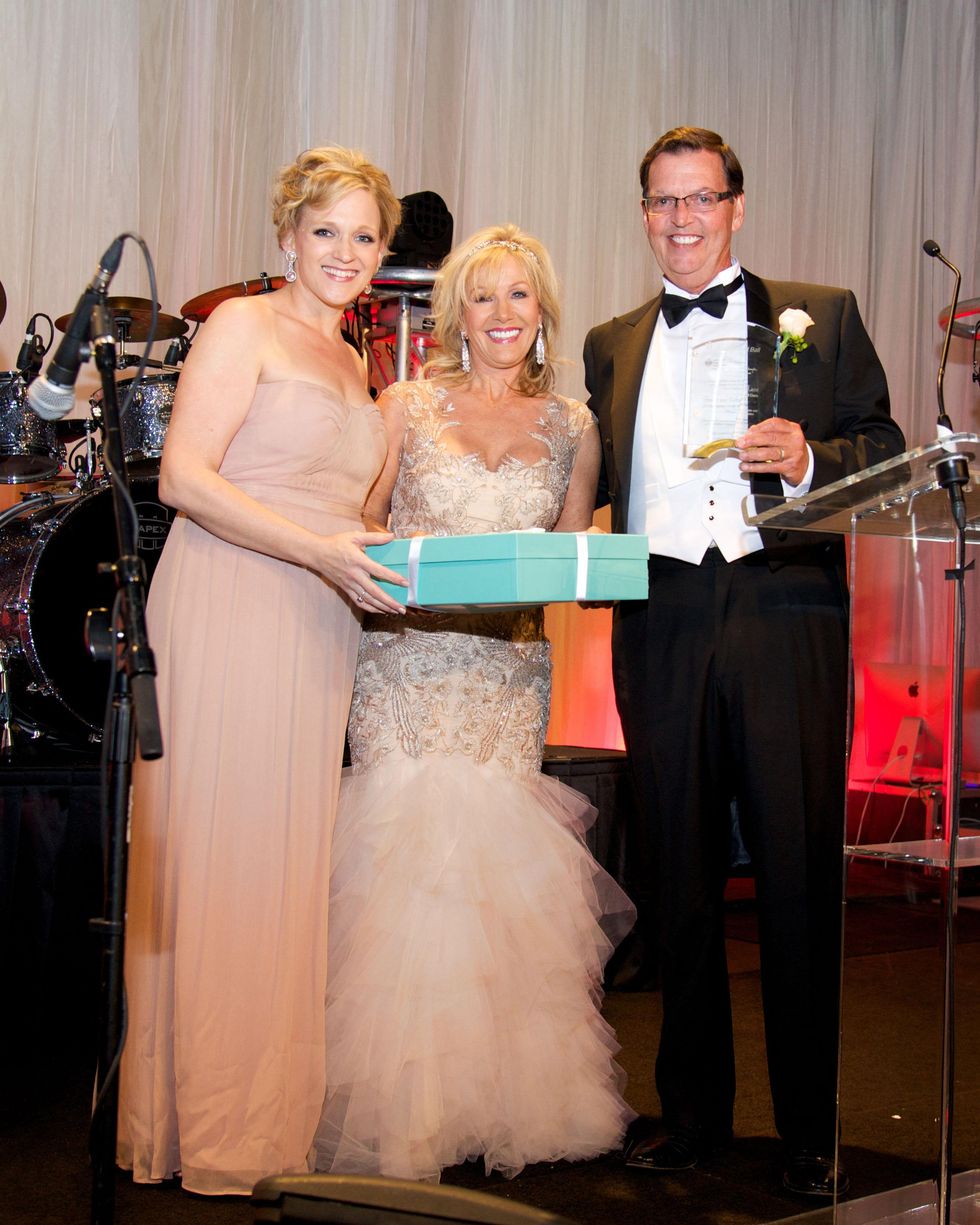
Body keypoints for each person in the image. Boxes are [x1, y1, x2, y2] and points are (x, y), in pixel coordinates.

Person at [583, 127, 906, 1198]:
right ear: (641, 214)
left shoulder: (819, 314)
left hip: (783, 608)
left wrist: (812, 457)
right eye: (661, 202)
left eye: (700, 199)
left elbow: (885, 450)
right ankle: (691, 1116)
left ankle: (809, 1132)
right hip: (661, 612)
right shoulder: (608, 341)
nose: (681, 219)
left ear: (734, 206)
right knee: (673, 864)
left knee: (796, 865)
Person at [310, 224, 636, 1182]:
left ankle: (503, 1101)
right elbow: (358, 521)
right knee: (408, 871)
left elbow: (572, 555)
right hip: (409, 667)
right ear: (457, 312)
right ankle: (400, 1113)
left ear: (542, 313)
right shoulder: (402, 403)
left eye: (519, 297)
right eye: (483, 297)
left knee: (501, 881)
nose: (501, 315)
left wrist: (601, 575)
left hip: (508, 673)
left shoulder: (576, 424)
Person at [116, 146, 408, 1196]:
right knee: (225, 861)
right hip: (231, 600)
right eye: (323, 230)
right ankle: (209, 1129)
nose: (343, 252)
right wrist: (321, 549)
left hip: (315, 621)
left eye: (362, 235)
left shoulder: (354, 364)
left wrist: (393, 551)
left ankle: (266, 1123)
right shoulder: (242, 326)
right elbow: (183, 478)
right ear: (285, 237)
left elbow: (351, 516)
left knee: (286, 867)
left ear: (381, 254)